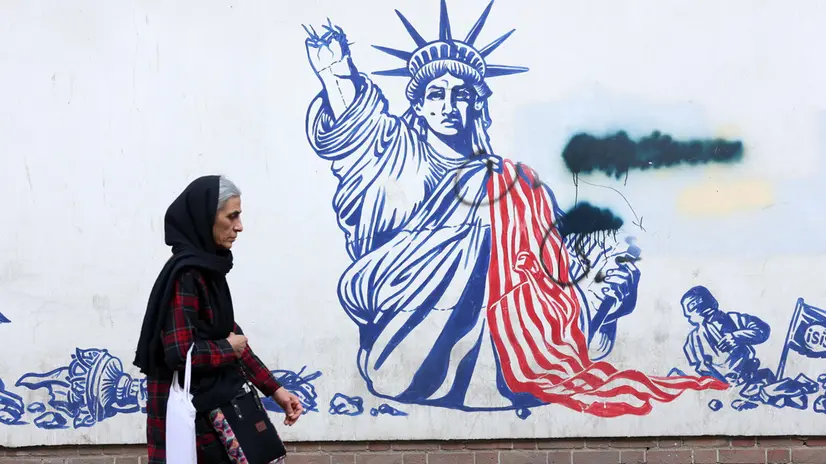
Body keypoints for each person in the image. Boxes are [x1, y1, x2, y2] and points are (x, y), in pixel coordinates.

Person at [301, 0, 727, 418]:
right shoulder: (396, 154)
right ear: (418, 105)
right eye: (436, 94)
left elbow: (551, 248)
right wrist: (336, 74)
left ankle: (528, 352)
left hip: (507, 320)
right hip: (403, 309)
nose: (448, 106)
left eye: (461, 95)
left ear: (476, 104)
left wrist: (599, 263)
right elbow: (357, 128)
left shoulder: (512, 180)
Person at [134, 175, 303, 463]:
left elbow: (231, 336)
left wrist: (275, 390)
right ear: (205, 219)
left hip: (216, 411)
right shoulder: (186, 276)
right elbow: (180, 353)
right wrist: (227, 348)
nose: (239, 226)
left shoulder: (209, 270)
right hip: (197, 423)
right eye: (231, 216)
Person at [681, 286, 771, 385]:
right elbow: (696, 368)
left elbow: (763, 330)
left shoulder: (734, 319)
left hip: (748, 379)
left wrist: (737, 337)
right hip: (719, 386)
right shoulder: (693, 339)